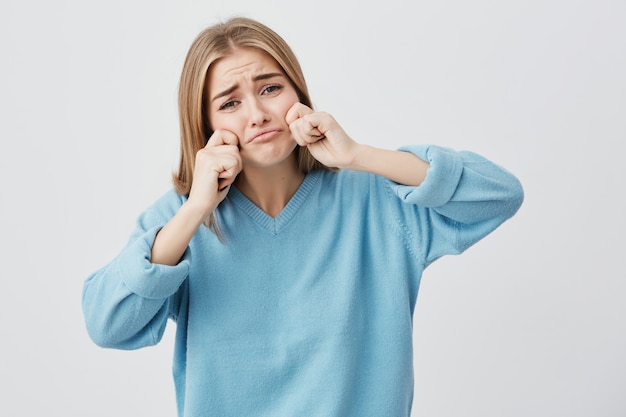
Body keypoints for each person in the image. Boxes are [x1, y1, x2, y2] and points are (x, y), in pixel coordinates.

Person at [82, 16, 524, 417]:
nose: (257, 114)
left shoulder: (378, 199)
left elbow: (500, 194)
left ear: (298, 94)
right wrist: (196, 209)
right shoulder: (182, 220)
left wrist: (358, 156)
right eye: (230, 103)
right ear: (204, 125)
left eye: (270, 88)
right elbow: (107, 324)